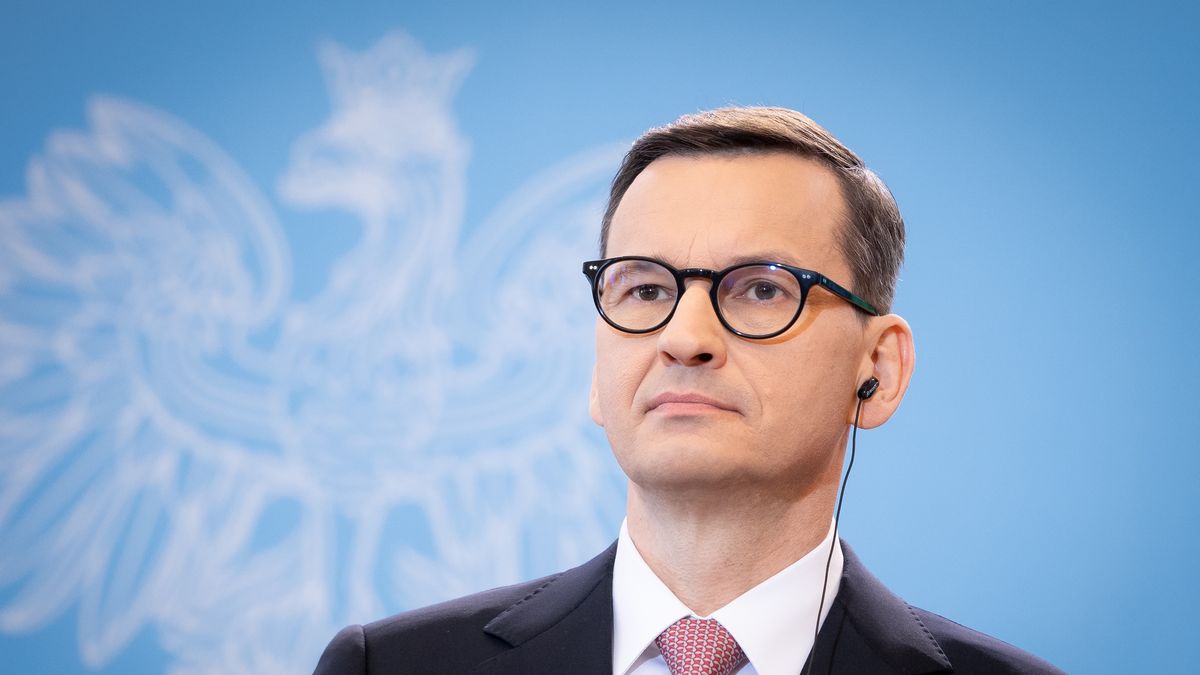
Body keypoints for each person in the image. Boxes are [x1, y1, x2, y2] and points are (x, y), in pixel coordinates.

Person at [314, 107, 1063, 674]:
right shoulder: (392, 666)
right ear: (597, 369)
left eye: (763, 290)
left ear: (879, 369)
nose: (684, 336)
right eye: (644, 288)